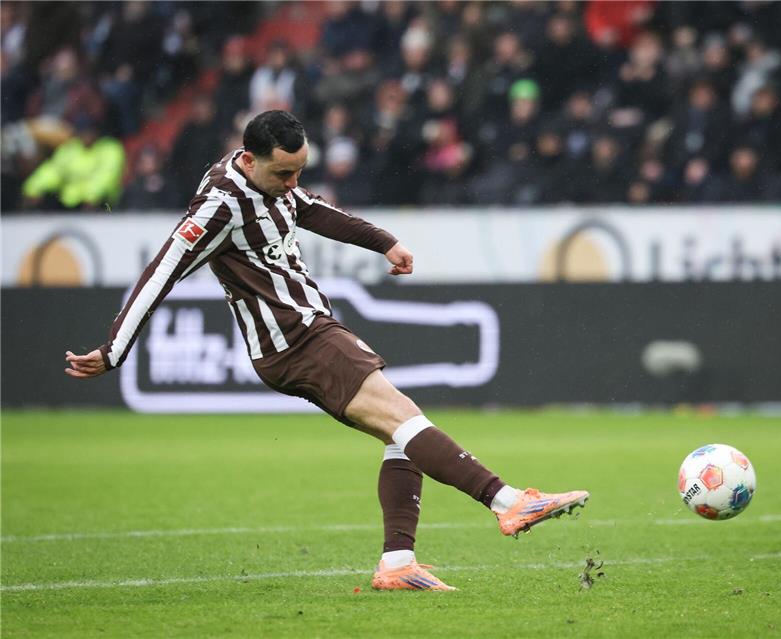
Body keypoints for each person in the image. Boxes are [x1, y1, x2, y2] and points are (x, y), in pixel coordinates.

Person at [64, 110, 589, 592]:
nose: (292, 184)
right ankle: (508, 501)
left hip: (310, 333)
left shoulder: (271, 182)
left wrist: (383, 241)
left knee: (402, 431)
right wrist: (114, 349)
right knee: (406, 421)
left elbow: (311, 209)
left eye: (298, 171)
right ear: (249, 160)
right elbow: (162, 269)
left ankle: (397, 564)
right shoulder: (219, 206)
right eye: (283, 174)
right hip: (296, 339)